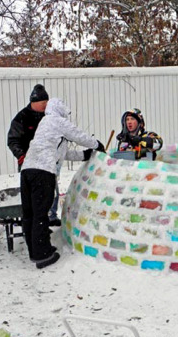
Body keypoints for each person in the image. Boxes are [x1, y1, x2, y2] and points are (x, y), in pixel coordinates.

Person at [20, 98, 105, 269]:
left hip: (27, 171)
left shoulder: (45, 125)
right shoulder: (55, 120)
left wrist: (84, 155)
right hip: (42, 173)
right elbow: (78, 135)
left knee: (30, 213)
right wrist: (96, 144)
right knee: (40, 214)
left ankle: (34, 250)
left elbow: (62, 153)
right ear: (60, 111)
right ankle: (42, 255)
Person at [7, 84, 61, 226]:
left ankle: (51, 216)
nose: (45, 105)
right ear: (34, 102)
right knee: (34, 197)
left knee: (53, 191)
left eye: (47, 103)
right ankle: (36, 224)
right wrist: (21, 155)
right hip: (29, 163)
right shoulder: (22, 117)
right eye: (43, 103)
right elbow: (12, 140)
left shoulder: (48, 117)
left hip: (48, 162)